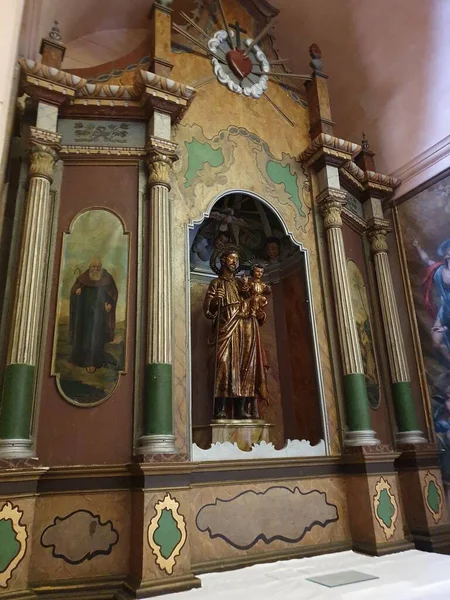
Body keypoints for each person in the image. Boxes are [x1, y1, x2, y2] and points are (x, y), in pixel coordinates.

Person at [203, 247, 269, 420]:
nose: (234, 262)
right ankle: (220, 408)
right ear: (223, 260)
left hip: (244, 329)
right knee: (223, 365)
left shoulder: (241, 284)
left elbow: (252, 303)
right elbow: (208, 311)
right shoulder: (216, 284)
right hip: (225, 328)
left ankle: (241, 409)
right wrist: (216, 300)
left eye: (236, 259)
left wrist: (249, 297)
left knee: (243, 367)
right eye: (231, 259)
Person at [69, 258, 118, 373]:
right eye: (93, 267)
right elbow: (74, 290)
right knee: (84, 337)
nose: (95, 270)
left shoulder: (107, 278)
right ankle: (83, 361)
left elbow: (113, 293)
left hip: (100, 314)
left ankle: (95, 362)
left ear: (101, 268)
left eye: (98, 267)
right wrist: (77, 290)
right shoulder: (83, 278)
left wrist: (109, 303)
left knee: (97, 337)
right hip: (84, 315)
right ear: (89, 268)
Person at [412, 238, 450, 362]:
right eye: (448, 250)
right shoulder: (439, 269)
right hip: (445, 310)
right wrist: (417, 246)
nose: (449, 251)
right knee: (436, 340)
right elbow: (426, 260)